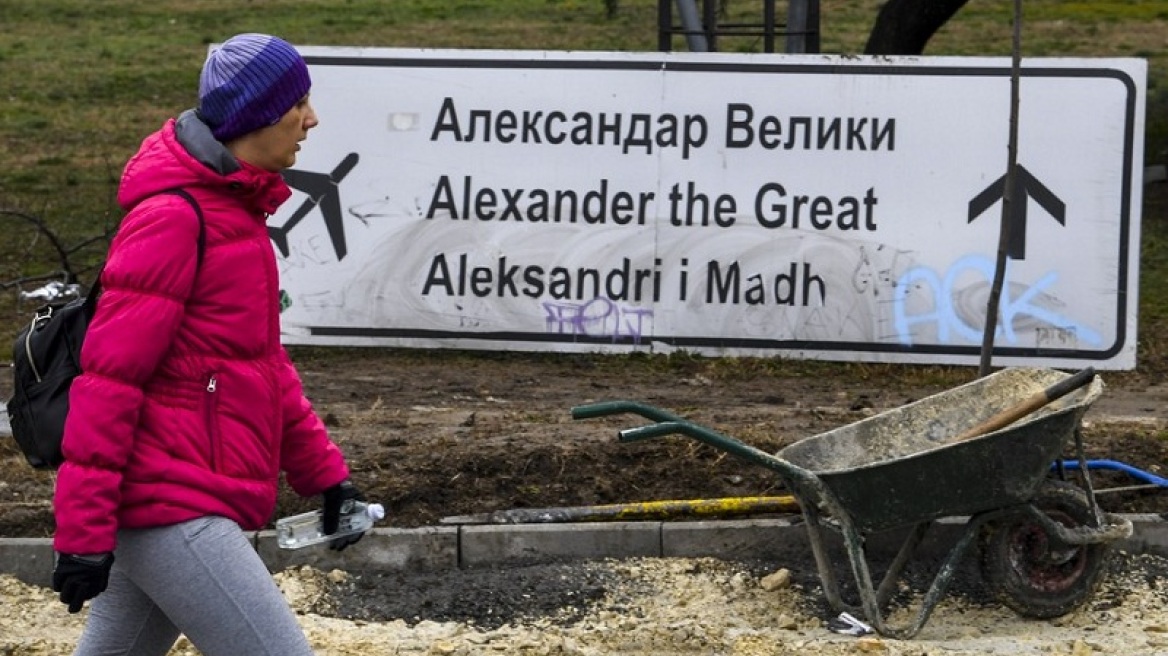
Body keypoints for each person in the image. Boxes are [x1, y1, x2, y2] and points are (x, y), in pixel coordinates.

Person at [50, 33, 367, 655]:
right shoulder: (175, 218)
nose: (312, 118)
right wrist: (80, 534)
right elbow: (108, 381)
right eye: (296, 103)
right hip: (171, 502)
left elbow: (260, 367)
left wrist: (326, 477)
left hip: (181, 496)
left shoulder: (234, 214)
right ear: (254, 116)